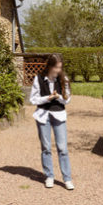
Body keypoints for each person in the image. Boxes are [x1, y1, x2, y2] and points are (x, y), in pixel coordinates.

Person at [29, 55, 74, 190]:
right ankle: (49, 176)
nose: (58, 70)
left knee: (63, 148)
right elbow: (33, 99)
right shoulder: (39, 79)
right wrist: (47, 98)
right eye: (56, 67)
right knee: (46, 147)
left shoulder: (63, 79)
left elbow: (67, 100)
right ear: (50, 66)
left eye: (60, 67)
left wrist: (58, 96)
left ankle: (67, 178)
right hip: (43, 116)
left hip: (59, 115)